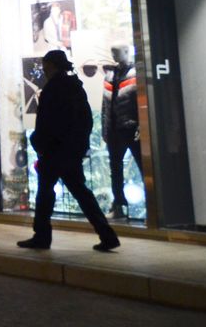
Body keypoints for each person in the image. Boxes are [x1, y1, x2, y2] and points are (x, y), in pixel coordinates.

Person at [18, 50, 120, 252]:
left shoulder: (54, 89)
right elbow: (85, 121)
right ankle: (106, 235)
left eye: (46, 65)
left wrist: (39, 142)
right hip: (69, 151)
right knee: (81, 193)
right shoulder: (74, 88)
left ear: (52, 65)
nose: (44, 70)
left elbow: (48, 122)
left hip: (54, 151)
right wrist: (79, 146)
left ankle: (42, 236)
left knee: (46, 194)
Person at [102, 45, 141, 219]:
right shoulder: (110, 75)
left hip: (132, 128)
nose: (113, 54)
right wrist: (105, 129)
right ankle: (118, 204)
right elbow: (105, 105)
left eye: (116, 51)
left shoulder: (136, 74)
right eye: (112, 51)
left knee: (143, 166)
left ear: (126, 52)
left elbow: (141, 102)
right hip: (114, 130)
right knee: (115, 169)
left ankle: (154, 205)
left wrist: (142, 126)